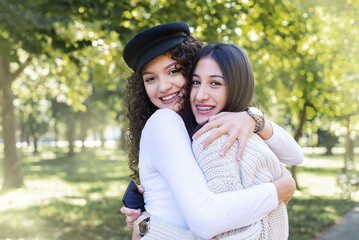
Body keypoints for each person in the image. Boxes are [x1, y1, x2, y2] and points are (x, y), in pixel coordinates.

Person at [121, 22, 302, 239]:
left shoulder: (201, 125)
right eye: (151, 78)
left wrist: (255, 121)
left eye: (173, 71)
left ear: (190, 70)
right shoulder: (164, 121)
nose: (163, 87)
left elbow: (294, 155)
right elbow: (206, 221)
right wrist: (279, 190)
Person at [189, 43, 289, 239]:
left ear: (237, 86)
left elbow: (226, 230)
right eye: (195, 82)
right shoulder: (244, 137)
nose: (201, 95)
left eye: (215, 83)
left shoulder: (214, 140)